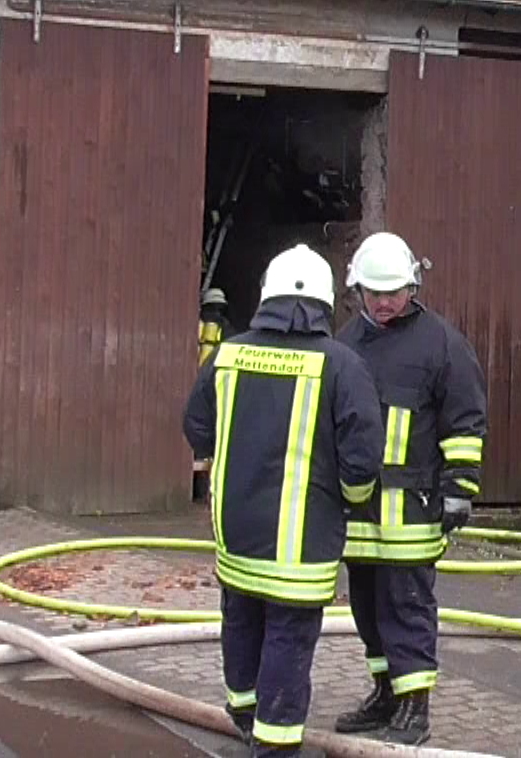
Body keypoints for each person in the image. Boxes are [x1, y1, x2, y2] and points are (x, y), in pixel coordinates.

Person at [184, 245, 384, 757]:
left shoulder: (228, 354)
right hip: (301, 545)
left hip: (235, 533)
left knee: (241, 620)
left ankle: (243, 710)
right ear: (324, 301)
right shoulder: (342, 365)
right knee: (288, 640)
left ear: (266, 294)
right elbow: (362, 458)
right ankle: (273, 745)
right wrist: (351, 500)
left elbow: (197, 428)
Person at [331, 233, 487, 746]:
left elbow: (465, 418)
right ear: (357, 289)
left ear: (412, 287)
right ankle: (385, 694)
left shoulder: (441, 344)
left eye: (393, 292)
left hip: (413, 512)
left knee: (408, 609)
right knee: (366, 609)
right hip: (359, 512)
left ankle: (415, 707)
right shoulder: (345, 345)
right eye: (374, 292)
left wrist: (460, 486)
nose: (383, 302)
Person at [199, 287, 233, 363]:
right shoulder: (195, 324)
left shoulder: (225, 326)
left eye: (220, 310)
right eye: (211, 309)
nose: (216, 314)